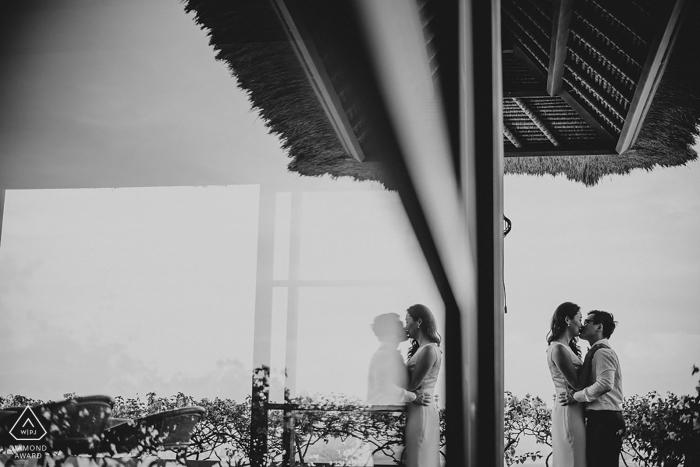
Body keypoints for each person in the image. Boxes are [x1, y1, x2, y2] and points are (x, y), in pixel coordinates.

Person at [561, 310, 625, 467]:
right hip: (603, 419)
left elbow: (605, 384)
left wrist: (575, 396)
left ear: (599, 327)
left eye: (588, 321)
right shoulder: (597, 351)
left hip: (605, 419)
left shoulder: (602, 352)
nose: (583, 325)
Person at [546, 302, 587, 467]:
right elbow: (576, 385)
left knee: (575, 458)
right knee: (573, 458)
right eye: (580, 319)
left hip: (574, 407)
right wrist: (591, 357)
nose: (582, 324)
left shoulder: (564, 348)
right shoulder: (559, 349)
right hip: (568, 409)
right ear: (568, 320)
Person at [403, 304, 442, 467]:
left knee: (419, 457)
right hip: (418, 406)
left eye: (407, 321)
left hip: (422, 408)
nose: (406, 326)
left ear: (418, 322)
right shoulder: (424, 349)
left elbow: (412, 386)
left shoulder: (428, 350)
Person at [367, 313, 418, 405]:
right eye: (400, 325)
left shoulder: (389, 353)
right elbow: (385, 387)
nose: (405, 328)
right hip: (386, 412)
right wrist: (414, 397)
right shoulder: (385, 354)